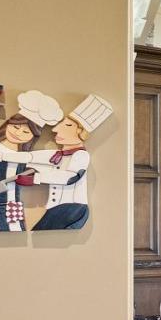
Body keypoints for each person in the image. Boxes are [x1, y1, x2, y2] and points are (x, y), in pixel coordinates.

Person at [0, 89, 62, 232]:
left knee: (13, 237)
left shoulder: (26, 157)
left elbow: (51, 163)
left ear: (32, 137)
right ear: (7, 125)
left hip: (12, 206)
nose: (18, 133)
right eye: (15, 126)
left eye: (26, 132)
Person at [22, 94, 113, 230]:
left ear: (81, 132)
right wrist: (0, 155)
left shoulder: (81, 155)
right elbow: (30, 157)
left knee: (39, 233)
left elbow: (70, 177)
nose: (55, 129)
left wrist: (36, 178)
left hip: (72, 209)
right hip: (57, 209)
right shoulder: (57, 155)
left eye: (67, 125)